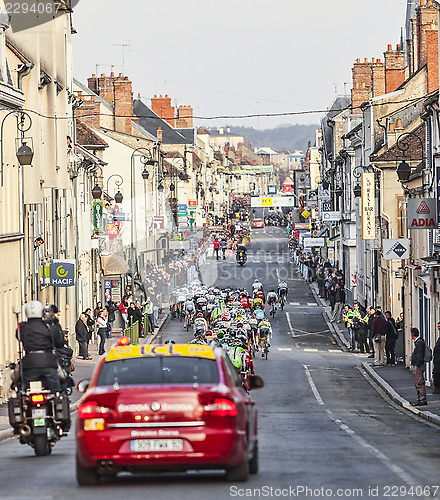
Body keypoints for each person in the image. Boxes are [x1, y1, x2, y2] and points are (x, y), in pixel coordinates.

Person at [18, 300, 64, 393]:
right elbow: (59, 343)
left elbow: (19, 337)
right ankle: (59, 403)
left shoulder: (22, 327)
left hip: (29, 363)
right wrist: (56, 324)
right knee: (57, 389)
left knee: (23, 390)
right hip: (48, 362)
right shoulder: (49, 326)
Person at [410, 328, 427, 406]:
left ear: (412, 334)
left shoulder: (419, 343)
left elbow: (419, 355)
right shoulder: (418, 342)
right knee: (418, 382)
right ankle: (420, 398)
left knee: (419, 382)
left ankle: (422, 399)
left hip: (418, 366)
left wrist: (417, 364)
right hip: (417, 365)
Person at [433, 323, 440, 394]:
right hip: (437, 359)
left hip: (438, 359)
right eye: (438, 327)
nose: (438, 328)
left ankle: (437, 387)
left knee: (436, 373)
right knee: (436, 373)